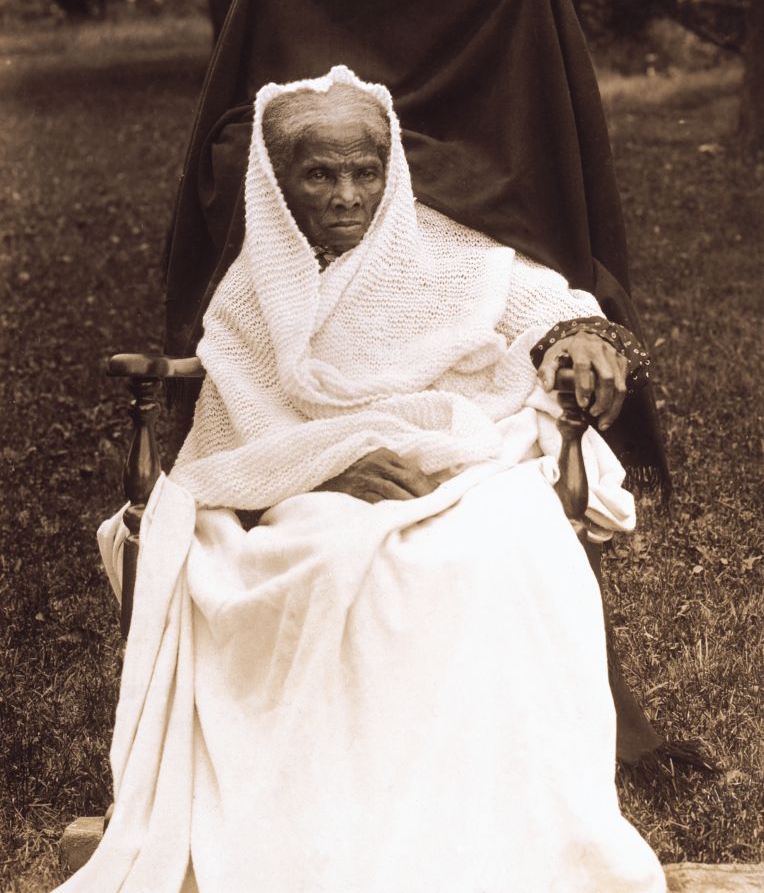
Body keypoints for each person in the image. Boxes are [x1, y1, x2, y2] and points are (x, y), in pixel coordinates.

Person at [55, 65, 666, 893]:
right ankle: (333, 819)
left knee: (498, 549)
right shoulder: (251, 290)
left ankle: (479, 812)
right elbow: (234, 436)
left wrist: (584, 335)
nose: (347, 194)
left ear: (391, 170)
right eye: (319, 172)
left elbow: (542, 303)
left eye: (365, 170)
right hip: (303, 490)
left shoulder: (440, 246)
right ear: (278, 180)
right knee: (316, 558)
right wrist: (326, 464)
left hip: (458, 461)